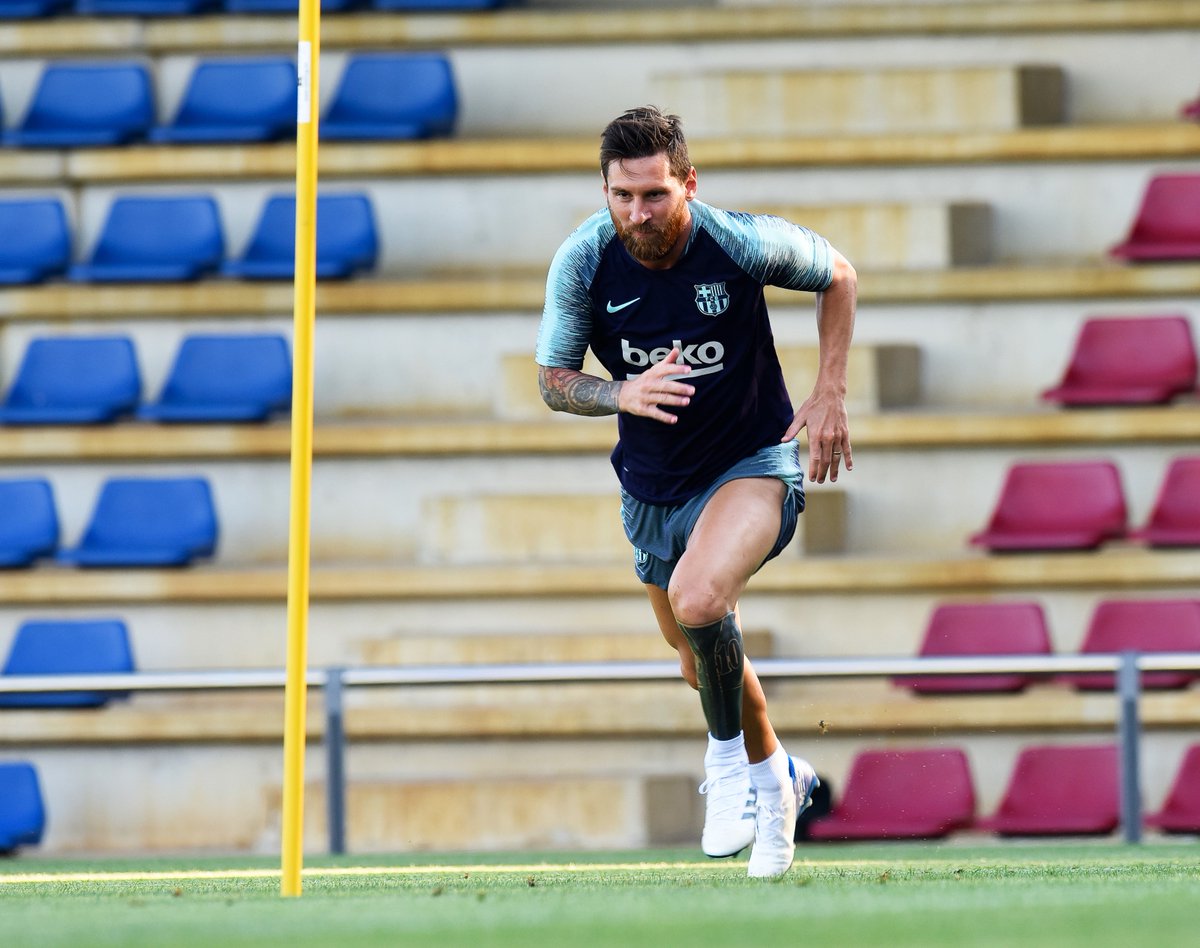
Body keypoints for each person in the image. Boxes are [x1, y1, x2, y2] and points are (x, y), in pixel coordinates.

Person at [535, 105, 857, 879]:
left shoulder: (737, 240)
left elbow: (838, 274)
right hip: (652, 488)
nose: (637, 213)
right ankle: (779, 776)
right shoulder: (584, 260)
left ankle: (724, 770)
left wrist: (831, 390)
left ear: (687, 183)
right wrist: (621, 395)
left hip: (752, 460)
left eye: (654, 195)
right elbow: (551, 379)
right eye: (622, 196)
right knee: (697, 655)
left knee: (702, 598)